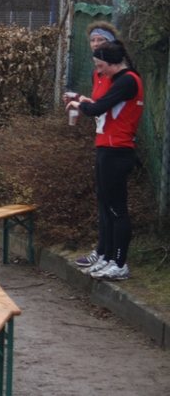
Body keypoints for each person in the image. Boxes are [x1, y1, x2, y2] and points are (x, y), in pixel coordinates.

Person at [66, 41, 144, 281]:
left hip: (118, 150)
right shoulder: (119, 80)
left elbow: (97, 108)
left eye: (101, 66)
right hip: (106, 148)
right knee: (105, 204)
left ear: (113, 63)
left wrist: (79, 104)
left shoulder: (128, 80)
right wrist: (89, 104)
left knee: (117, 209)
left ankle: (120, 263)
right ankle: (108, 257)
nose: (100, 71)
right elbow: (104, 107)